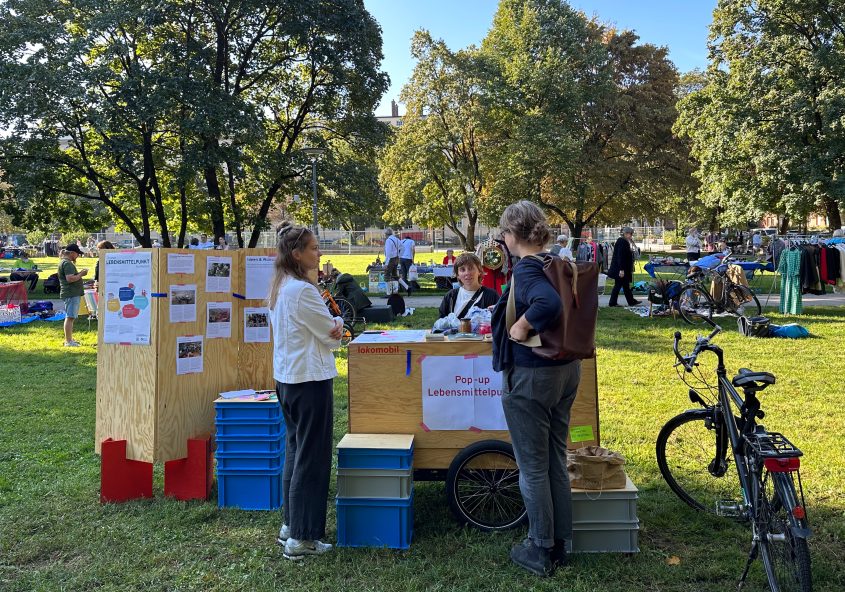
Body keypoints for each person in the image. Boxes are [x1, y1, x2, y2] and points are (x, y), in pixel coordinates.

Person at [490, 200, 580, 577]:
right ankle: (562, 542)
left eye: (503, 235)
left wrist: (520, 327)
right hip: (565, 369)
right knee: (554, 459)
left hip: (532, 375)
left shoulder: (527, 269)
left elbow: (547, 303)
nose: (503, 242)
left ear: (513, 234)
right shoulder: (557, 262)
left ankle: (540, 547)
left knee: (532, 467)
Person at [268, 222, 344, 561]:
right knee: (311, 458)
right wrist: (340, 325)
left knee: (297, 451)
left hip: (288, 377)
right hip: (308, 379)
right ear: (297, 254)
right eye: (314, 248)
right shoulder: (301, 290)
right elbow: (329, 332)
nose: (320, 252)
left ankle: (292, 525)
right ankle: (302, 537)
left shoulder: (282, 285)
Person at [437, 253, 499, 319]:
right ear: (457, 275)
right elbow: (441, 324)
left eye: (471, 268)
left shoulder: (491, 295)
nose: (467, 273)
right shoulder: (450, 296)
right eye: (462, 270)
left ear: (479, 271)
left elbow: (499, 323)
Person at [58, 244, 88, 346]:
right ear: (72, 253)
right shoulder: (67, 264)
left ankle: (69, 339)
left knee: (71, 316)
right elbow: (70, 279)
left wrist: (78, 274)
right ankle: (68, 341)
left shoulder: (64, 262)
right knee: (70, 317)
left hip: (70, 293)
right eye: (77, 254)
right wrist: (81, 274)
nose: (78, 256)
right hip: (71, 293)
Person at [607, 227, 640, 307]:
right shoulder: (622, 241)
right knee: (618, 285)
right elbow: (620, 256)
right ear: (626, 233)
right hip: (621, 269)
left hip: (622, 268)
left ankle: (631, 301)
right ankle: (612, 302)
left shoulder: (624, 241)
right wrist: (621, 270)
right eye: (630, 234)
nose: (631, 236)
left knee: (625, 286)